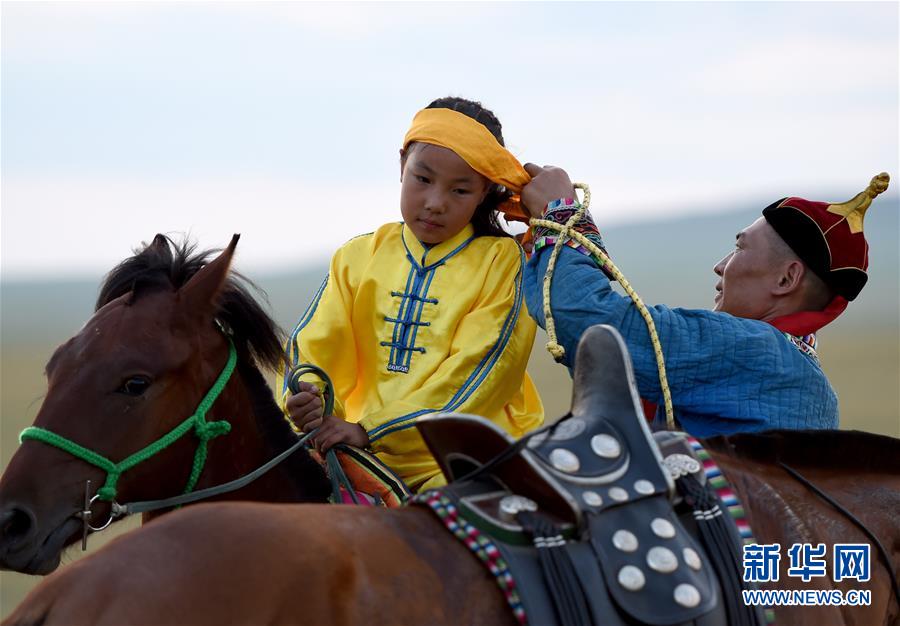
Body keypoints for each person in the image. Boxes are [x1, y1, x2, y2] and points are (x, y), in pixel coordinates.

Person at [278, 97, 544, 492]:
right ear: (402, 164)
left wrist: (371, 430)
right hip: (355, 451)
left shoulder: (504, 263)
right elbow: (317, 348)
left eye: (459, 190)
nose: (435, 203)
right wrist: (309, 399)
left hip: (465, 460)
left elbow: (481, 376)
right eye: (422, 179)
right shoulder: (358, 256)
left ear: (484, 192)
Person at [518, 165, 889, 437]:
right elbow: (612, 369)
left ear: (786, 279)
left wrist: (563, 215)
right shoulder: (809, 382)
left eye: (739, 247)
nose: (720, 266)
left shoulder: (754, 350)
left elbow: (590, 322)